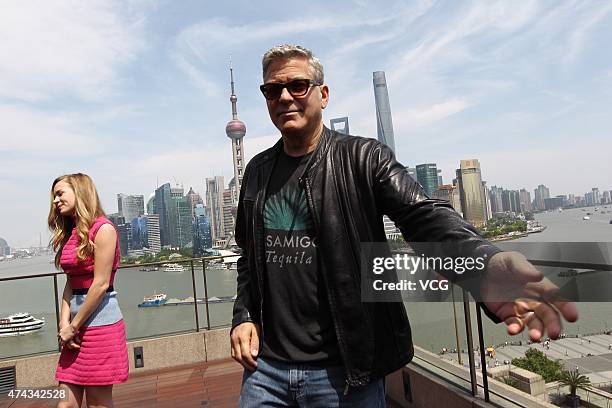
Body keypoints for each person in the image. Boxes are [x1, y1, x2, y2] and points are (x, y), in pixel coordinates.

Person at [230, 44, 578, 407]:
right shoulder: (257, 171)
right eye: (272, 89)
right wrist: (244, 316)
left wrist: (483, 262)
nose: (285, 96)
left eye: (298, 85)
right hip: (265, 370)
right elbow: (249, 258)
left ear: (324, 94)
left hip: (346, 374)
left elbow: (423, 216)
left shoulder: (363, 158)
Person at [48, 173, 128, 408]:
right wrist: (64, 323)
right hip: (73, 330)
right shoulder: (71, 233)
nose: (55, 200)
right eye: (54, 196)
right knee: (66, 404)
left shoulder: (104, 229)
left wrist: (73, 326)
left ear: (80, 192)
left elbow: (101, 284)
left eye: (60, 194)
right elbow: (70, 282)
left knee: (98, 403)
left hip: (100, 326)